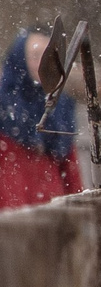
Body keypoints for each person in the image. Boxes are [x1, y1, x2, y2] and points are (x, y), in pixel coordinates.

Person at [0, 30, 81, 209]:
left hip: (53, 214)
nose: (42, 65)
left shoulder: (61, 108)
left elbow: (71, 175)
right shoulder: (3, 105)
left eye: (48, 57)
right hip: (9, 216)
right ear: (19, 59)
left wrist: (78, 213)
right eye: (35, 56)